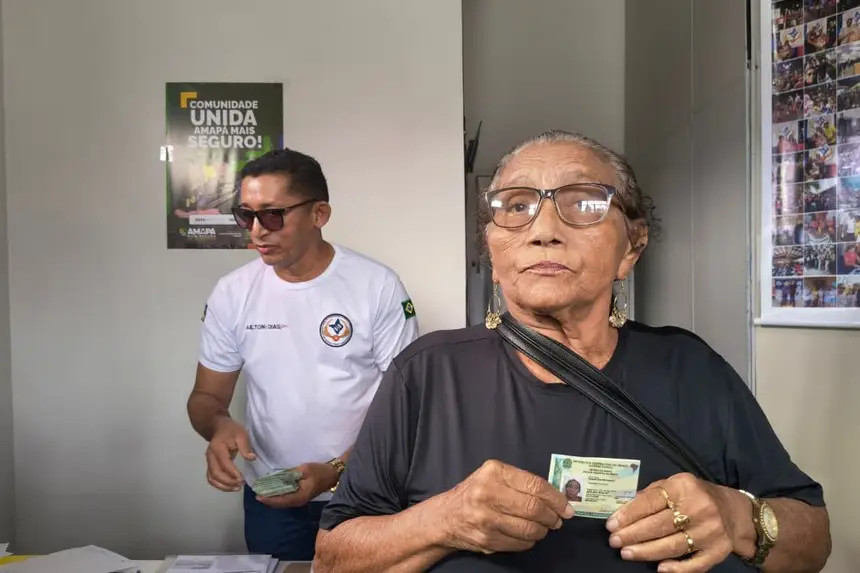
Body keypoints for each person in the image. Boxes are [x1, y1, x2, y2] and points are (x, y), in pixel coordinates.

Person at [313, 131, 832, 572]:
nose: (543, 231)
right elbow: (330, 556)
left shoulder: (691, 368)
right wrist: (442, 520)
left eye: (584, 204)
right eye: (516, 207)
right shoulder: (427, 374)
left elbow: (814, 539)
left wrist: (737, 516)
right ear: (492, 250)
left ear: (632, 247)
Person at [186, 148, 420, 561]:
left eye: (273, 215)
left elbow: (409, 409)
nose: (257, 231)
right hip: (271, 498)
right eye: (246, 215)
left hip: (364, 493)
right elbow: (206, 398)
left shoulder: (376, 286)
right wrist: (217, 427)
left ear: (319, 214)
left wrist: (336, 470)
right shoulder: (232, 292)